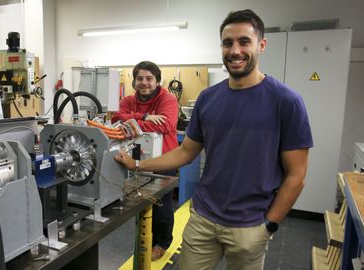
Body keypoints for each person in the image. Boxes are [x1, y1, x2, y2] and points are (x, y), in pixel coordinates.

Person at [114, 9, 313, 270]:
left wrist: (269, 226)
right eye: (228, 42)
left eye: (244, 41)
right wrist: (137, 165)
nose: (235, 50)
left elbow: (296, 175)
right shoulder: (208, 99)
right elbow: (185, 153)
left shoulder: (286, 101)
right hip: (203, 219)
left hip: (251, 224)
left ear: (261, 45)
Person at [111, 61, 179, 261]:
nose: (144, 83)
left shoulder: (167, 99)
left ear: (157, 81)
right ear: (134, 81)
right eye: (140, 78)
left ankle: (162, 242)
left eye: (149, 78)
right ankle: (145, 239)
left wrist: (132, 122)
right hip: (134, 159)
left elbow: (165, 125)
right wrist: (146, 116)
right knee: (141, 201)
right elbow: (116, 120)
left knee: (161, 202)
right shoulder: (128, 100)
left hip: (164, 160)